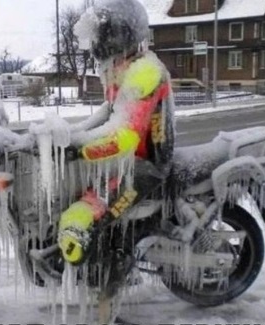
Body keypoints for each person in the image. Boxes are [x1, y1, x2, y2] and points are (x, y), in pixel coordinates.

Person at [57, 0, 176, 268]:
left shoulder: (145, 72)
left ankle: (109, 279)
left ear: (121, 35)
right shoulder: (123, 66)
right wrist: (70, 136)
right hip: (128, 161)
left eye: (104, 34)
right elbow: (109, 112)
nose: (99, 43)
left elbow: (125, 136)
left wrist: (80, 149)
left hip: (146, 165)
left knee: (85, 216)